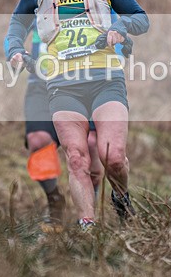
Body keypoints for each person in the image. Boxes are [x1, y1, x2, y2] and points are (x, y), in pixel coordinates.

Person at [5, 0, 149, 229]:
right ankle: (87, 227)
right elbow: (16, 25)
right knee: (75, 157)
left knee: (112, 156)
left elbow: (141, 19)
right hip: (61, 84)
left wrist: (120, 27)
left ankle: (121, 197)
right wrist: (14, 49)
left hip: (105, 79)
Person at [8, 28, 103, 228]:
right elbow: (15, 28)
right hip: (42, 85)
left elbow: (113, 24)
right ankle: (54, 199)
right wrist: (13, 51)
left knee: (92, 145)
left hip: (85, 82)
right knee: (37, 140)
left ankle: (89, 212)